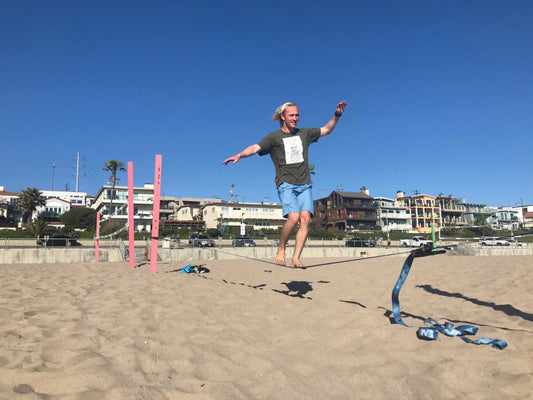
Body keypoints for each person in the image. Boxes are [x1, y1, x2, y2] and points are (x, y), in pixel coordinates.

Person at [222, 100, 348, 268]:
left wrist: (337, 114)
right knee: (294, 217)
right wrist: (239, 155)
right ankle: (281, 248)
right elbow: (255, 147)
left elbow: (326, 130)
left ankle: (296, 258)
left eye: (297, 115)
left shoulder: (305, 133)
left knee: (305, 220)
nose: (295, 118)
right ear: (283, 116)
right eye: (291, 115)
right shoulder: (274, 137)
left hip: (305, 183)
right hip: (286, 183)